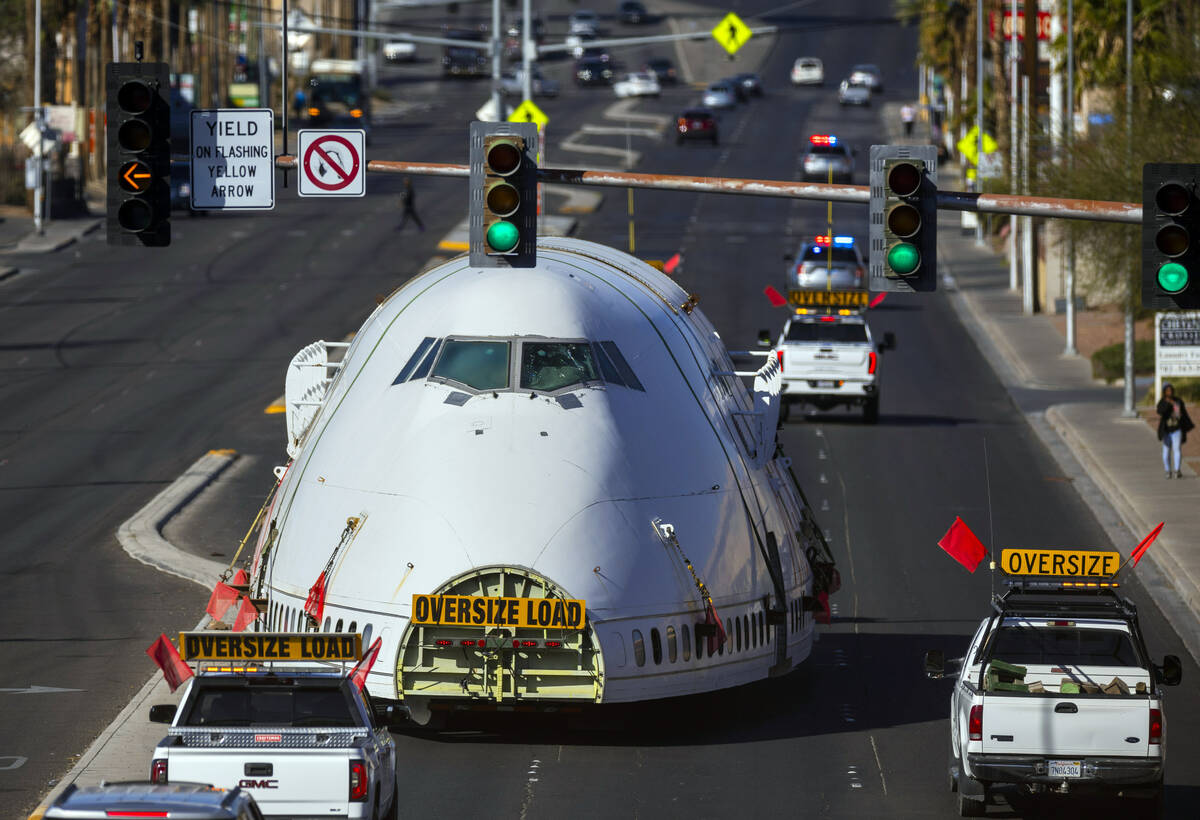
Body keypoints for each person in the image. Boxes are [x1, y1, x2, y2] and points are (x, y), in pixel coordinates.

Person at [1156, 382, 1194, 478]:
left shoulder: (1178, 401)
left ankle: (1177, 470)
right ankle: (1168, 471)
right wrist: (1168, 403)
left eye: (1171, 390)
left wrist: (1175, 405)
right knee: (1166, 453)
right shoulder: (1162, 402)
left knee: (1177, 449)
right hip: (1166, 430)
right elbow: (1160, 411)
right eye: (1167, 391)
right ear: (1164, 392)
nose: (1169, 392)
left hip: (1177, 429)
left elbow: (1180, 414)